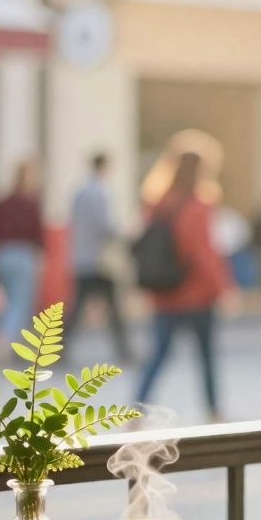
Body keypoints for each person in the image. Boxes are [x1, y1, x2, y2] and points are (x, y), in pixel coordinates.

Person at [134, 150, 233, 422]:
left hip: (165, 294)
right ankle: (213, 412)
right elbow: (203, 253)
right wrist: (222, 288)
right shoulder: (198, 206)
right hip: (197, 295)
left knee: (157, 355)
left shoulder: (158, 202)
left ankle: (136, 410)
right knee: (206, 356)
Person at [70, 152, 132, 361]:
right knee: (113, 309)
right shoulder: (99, 193)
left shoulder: (80, 192)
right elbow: (104, 226)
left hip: (82, 257)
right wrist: (124, 234)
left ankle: (55, 349)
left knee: (78, 308)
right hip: (98, 259)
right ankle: (124, 351)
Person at [0, 158, 44, 360]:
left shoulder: (1, 203)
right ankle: (5, 340)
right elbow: (37, 233)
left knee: (5, 300)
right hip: (23, 254)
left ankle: (7, 340)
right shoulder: (31, 204)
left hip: (2, 253)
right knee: (20, 302)